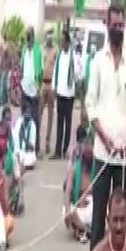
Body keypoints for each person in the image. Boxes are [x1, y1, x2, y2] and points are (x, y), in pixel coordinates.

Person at [85, 4, 126, 251]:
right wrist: (105, 138)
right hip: (102, 154)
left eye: (121, 26)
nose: (118, 30)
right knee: (98, 221)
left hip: (124, 158)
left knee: (120, 222)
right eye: (114, 25)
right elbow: (90, 105)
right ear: (107, 26)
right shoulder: (98, 61)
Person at [52, 30, 78, 160]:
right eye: (60, 41)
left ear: (68, 42)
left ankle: (65, 149)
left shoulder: (74, 56)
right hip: (60, 93)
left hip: (69, 95)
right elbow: (56, 71)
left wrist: (75, 68)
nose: (62, 43)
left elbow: (79, 74)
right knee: (59, 124)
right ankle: (57, 151)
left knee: (68, 124)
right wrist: (53, 88)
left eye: (63, 41)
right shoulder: (59, 55)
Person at [0, 108, 23, 217]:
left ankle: (19, 199)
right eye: (7, 119)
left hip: (11, 162)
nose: (8, 122)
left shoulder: (13, 133)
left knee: (16, 174)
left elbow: (17, 153)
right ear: (2, 119)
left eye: (10, 119)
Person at [20, 27, 43, 157]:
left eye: (30, 37)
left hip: (34, 90)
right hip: (24, 88)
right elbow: (22, 66)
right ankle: (24, 144)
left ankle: (36, 148)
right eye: (27, 37)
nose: (28, 40)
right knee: (24, 119)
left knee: (35, 120)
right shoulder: (24, 49)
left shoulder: (37, 50)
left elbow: (40, 70)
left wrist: (38, 87)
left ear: (33, 37)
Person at [64, 144, 94, 243]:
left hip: (91, 207)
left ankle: (81, 230)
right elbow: (67, 193)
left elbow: (100, 192)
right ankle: (86, 230)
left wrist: (87, 197)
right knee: (69, 211)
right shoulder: (73, 169)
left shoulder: (96, 169)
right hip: (78, 207)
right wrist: (68, 211)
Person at [40, 33, 56, 155]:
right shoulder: (42, 49)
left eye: (51, 37)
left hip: (51, 85)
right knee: (38, 114)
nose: (49, 40)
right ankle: (37, 142)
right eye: (47, 37)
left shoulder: (56, 51)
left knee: (50, 116)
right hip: (42, 84)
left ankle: (47, 142)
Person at [13, 102, 37, 170]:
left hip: (28, 151)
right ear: (23, 113)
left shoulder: (32, 125)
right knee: (15, 158)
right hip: (18, 151)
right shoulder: (19, 123)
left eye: (29, 112)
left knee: (30, 161)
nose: (28, 114)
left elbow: (32, 146)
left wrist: (25, 140)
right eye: (26, 112)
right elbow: (15, 140)